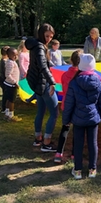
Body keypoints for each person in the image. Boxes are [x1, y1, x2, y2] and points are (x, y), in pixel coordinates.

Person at [62, 54, 101, 179]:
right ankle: (92, 169)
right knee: (93, 143)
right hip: (93, 118)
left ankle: (77, 170)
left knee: (78, 144)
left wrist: (66, 119)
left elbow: (69, 103)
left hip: (78, 119)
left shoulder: (74, 82)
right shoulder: (98, 81)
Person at [25, 23, 59, 152]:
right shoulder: (39, 48)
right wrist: (52, 82)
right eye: (47, 36)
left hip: (36, 84)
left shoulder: (36, 45)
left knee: (41, 111)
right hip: (42, 84)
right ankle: (46, 143)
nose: (49, 39)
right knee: (54, 113)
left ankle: (38, 138)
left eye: (51, 37)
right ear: (41, 34)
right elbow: (43, 66)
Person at [54, 49, 82, 163]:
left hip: (66, 104)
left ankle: (58, 152)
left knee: (65, 128)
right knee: (77, 129)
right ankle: (74, 154)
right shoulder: (81, 75)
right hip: (78, 105)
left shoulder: (65, 74)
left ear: (71, 60)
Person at [4, 47, 22, 122]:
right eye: (13, 55)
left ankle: (7, 113)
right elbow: (8, 75)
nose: (16, 56)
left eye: (16, 55)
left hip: (9, 84)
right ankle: (11, 115)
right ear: (8, 55)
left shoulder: (11, 61)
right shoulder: (10, 63)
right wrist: (15, 82)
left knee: (9, 99)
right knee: (12, 101)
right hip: (11, 85)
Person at [0, 45, 10, 114]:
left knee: (5, 94)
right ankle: (4, 108)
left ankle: (5, 107)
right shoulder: (5, 62)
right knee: (6, 95)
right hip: (4, 80)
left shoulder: (4, 60)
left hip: (3, 80)